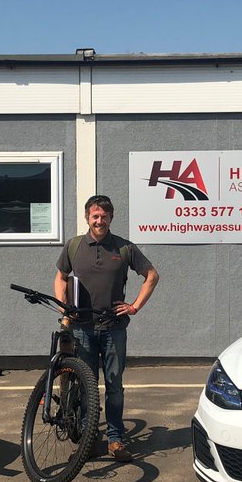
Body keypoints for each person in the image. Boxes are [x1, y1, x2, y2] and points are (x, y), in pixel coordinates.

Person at [54, 194, 159, 462]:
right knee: (87, 387)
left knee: (114, 386)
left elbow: (152, 275)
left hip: (114, 329)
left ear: (111, 218)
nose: (99, 220)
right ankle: (88, 441)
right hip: (82, 329)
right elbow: (61, 277)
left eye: (104, 216)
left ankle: (115, 440)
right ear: (87, 217)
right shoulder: (74, 246)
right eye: (95, 216)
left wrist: (134, 306)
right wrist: (64, 309)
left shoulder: (124, 248)